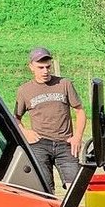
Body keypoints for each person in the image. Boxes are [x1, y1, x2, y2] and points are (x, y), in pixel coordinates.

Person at [14, 47, 86, 192]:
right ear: (31, 67)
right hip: (39, 144)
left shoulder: (64, 84)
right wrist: (25, 132)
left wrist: (77, 137)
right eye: (40, 68)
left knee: (75, 189)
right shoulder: (24, 90)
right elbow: (16, 118)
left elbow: (80, 111)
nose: (45, 71)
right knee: (44, 189)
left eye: (48, 67)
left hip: (65, 143)